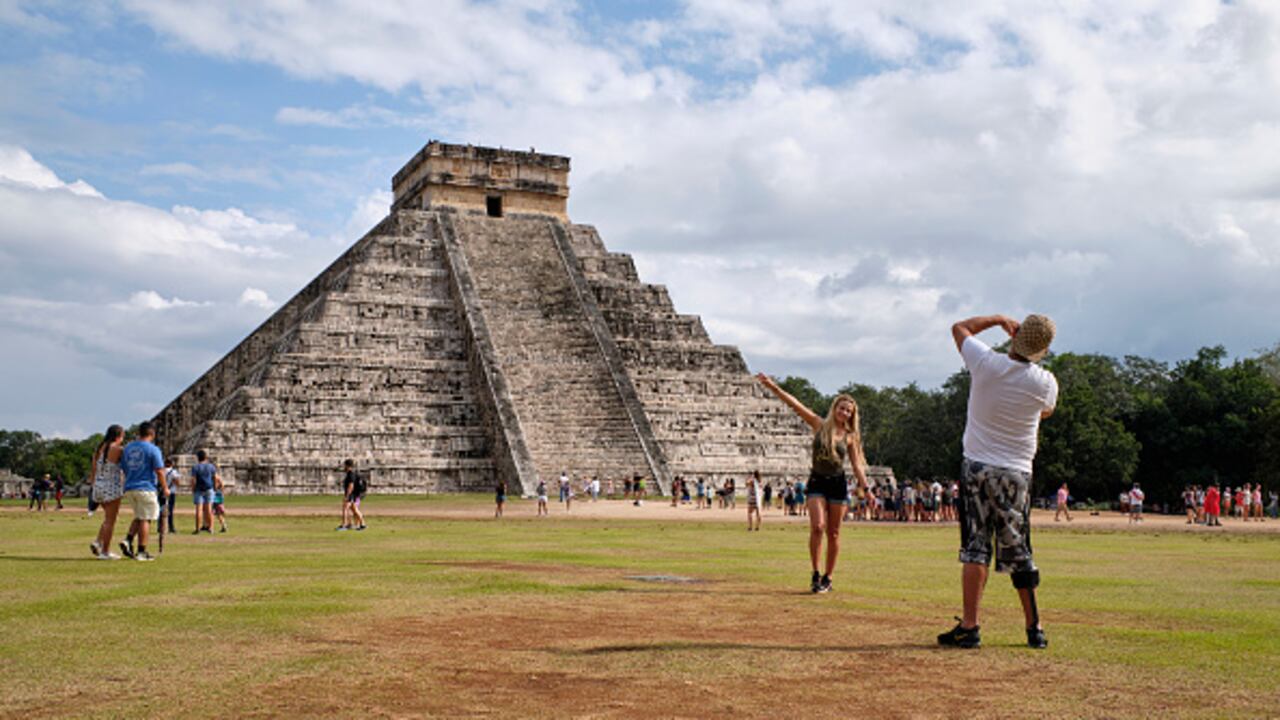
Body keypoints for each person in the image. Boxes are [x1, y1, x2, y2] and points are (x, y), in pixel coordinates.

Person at [938, 313, 1057, 650]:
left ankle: (970, 625)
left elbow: (958, 328)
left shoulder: (985, 363)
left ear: (1015, 336)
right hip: (1018, 471)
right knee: (1019, 547)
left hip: (977, 467)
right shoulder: (1045, 382)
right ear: (1043, 349)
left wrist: (998, 319)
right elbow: (1045, 411)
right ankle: (1034, 628)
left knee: (976, 547)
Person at [757, 373, 870, 594]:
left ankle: (829, 576)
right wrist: (773, 386)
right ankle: (815, 573)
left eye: (848, 410)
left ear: (851, 415)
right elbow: (795, 404)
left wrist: (865, 487)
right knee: (818, 527)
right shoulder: (819, 424)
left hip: (837, 483)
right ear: (834, 408)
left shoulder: (850, 436)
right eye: (841, 408)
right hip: (817, 481)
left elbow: (857, 465)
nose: (844, 412)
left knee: (834, 533)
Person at [117, 422, 168, 562]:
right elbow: (159, 471)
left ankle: (128, 540)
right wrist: (165, 488)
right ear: (152, 434)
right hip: (146, 487)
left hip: (130, 487)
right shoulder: (153, 449)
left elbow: (124, 468)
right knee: (146, 518)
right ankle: (141, 551)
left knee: (140, 516)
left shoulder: (128, 448)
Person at [89, 424, 126, 560]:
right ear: (118, 436)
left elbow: (93, 470)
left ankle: (98, 541)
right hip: (111, 487)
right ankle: (105, 551)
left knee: (107, 519)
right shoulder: (117, 449)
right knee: (111, 521)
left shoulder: (99, 449)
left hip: (98, 486)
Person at [191, 450, 218, 534]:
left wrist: (193, 488)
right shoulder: (211, 466)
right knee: (209, 509)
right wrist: (215, 487)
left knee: (198, 510)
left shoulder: (195, 467)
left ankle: (197, 528)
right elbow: (215, 478)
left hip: (199, 489)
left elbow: (193, 480)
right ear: (206, 457)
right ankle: (211, 528)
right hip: (209, 488)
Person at [162, 460, 180, 534]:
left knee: (161, 509)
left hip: (162, 491)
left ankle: (161, 527)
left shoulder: (162, 471)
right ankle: (171, 527)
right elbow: (177, 481)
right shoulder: (173, 471)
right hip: (171, 491)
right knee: (170, 510)